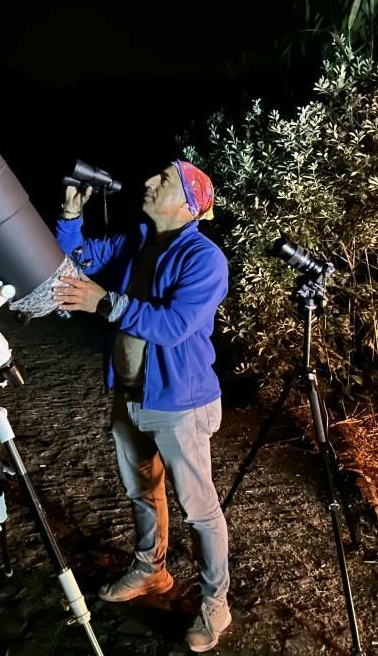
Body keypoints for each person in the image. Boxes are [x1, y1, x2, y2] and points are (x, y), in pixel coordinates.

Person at [51, 160, 231, 652]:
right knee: (141, 492)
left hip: (180, 402)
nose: (148, 181)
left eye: (164, 180)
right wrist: (70, 220)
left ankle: (216, 603)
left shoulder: (205, 259)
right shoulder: (136, 242)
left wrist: (105, 302)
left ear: (189, 204)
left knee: (199, 509)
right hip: (129, 394)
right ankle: (151, 571)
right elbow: (78, 262)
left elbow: (174, 325)